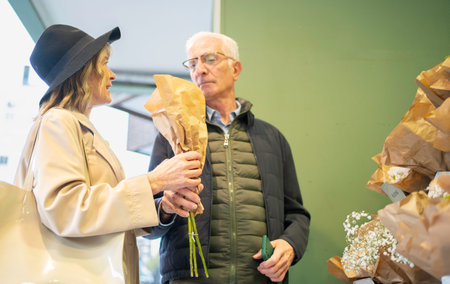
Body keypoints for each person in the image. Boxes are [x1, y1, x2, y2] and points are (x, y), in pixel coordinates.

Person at [14, 25, 203, 284]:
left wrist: (162, 206)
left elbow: (98, 217)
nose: (112, 75)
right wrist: (153, 182)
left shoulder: (79, 127)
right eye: (104, 63)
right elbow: (65, 210)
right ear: (82, 71)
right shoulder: (57, 121)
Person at [146, 31, 311, 283]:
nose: (199, 70)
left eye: (209, 59)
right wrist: (166, 208)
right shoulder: (173, 135)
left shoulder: (272, 138)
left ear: (236, 69)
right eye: (192, 63)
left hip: (258, 278)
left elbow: (297, 214)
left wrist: (290, 245)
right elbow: (148, 218)